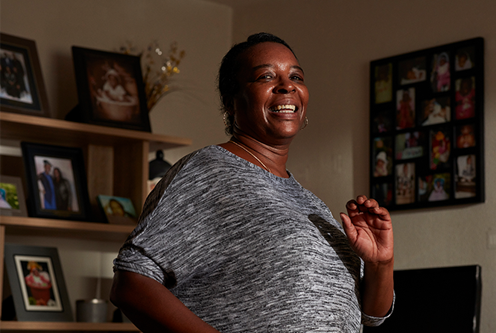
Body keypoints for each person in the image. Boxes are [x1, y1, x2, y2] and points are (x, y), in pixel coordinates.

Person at [110, 33, 394, 333]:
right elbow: (131, 284)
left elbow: (372, 315)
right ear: (231, 104)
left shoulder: (310, 204)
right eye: (266, 76)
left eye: (296, 76)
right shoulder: (209, 171)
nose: (287, 85)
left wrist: (379, 264)